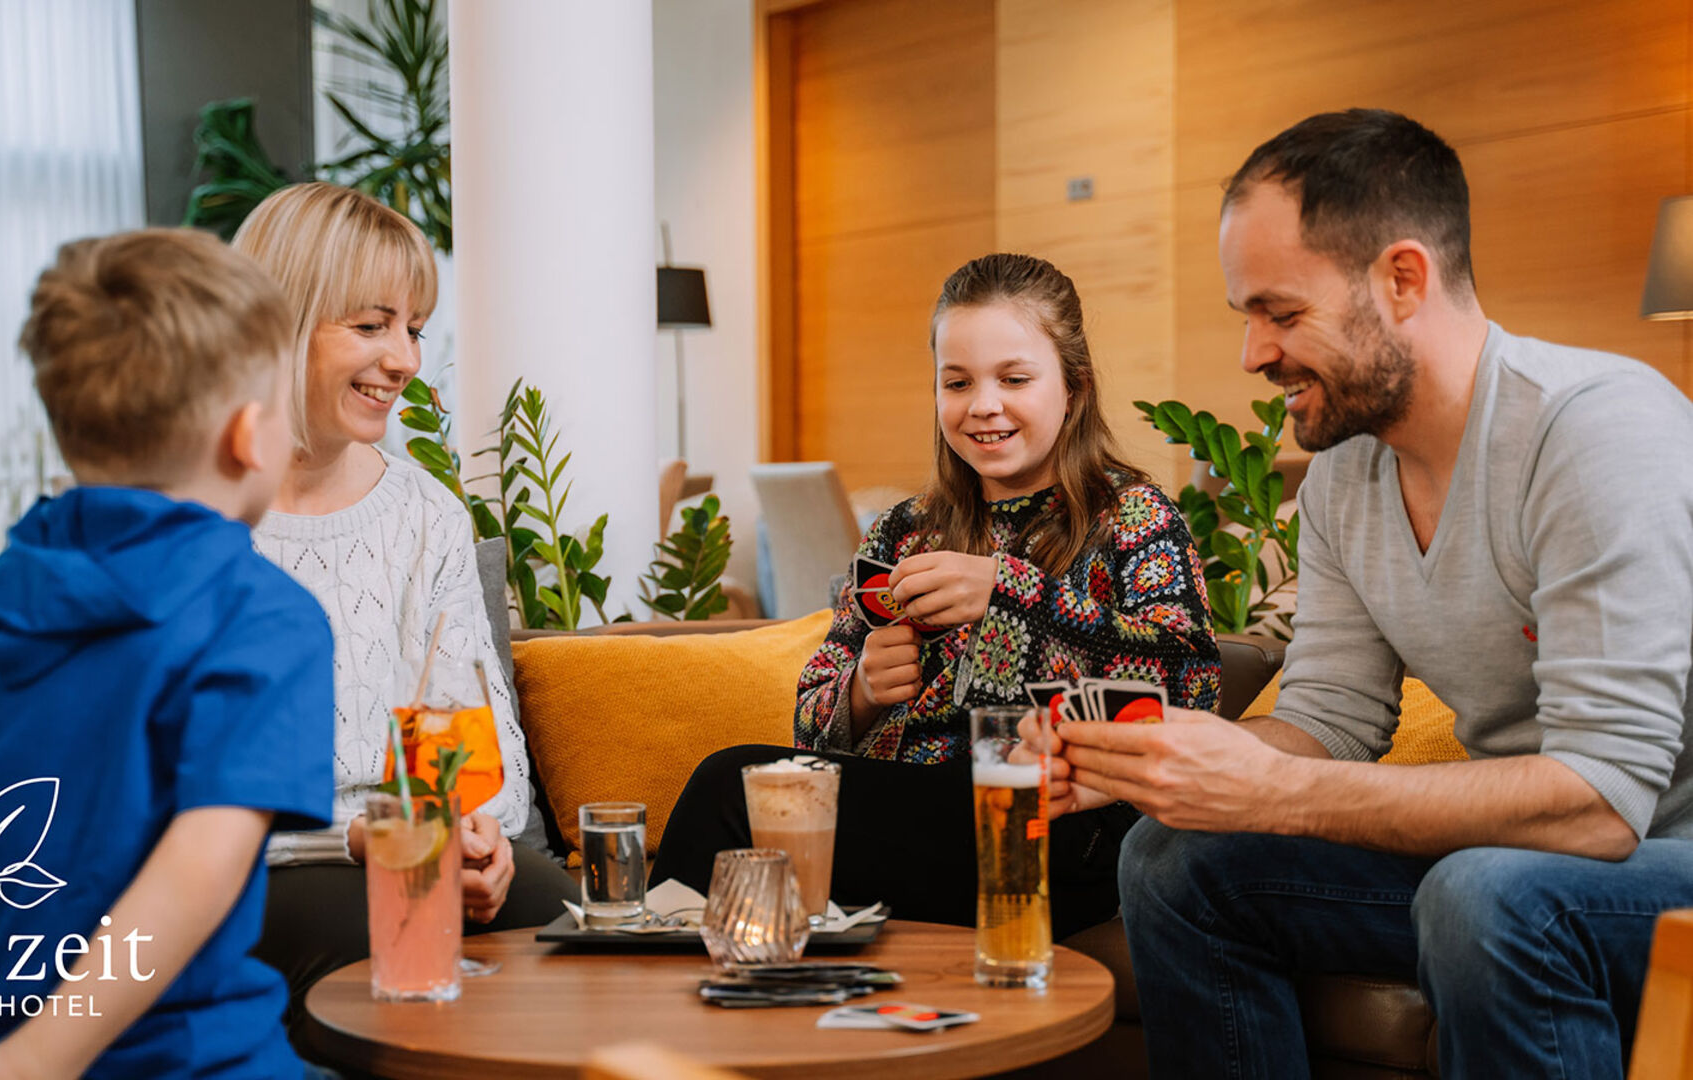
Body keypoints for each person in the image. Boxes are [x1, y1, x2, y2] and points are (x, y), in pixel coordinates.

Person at [1054, 109, 1693, 1078]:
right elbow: (1326, 719)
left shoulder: (1596, 432)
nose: (1252, 355)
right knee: (1172, 862)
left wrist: (1286, 790)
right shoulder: (1347, 477)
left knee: (1487, 898)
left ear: (1400, 279)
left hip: (1656, 854)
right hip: (1516, 868)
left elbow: (1602, 804)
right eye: (1246, 317)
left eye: (1279, 312)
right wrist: (1151, 762)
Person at [0, 229, 336, 1079]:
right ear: (250, 435)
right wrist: (31, 1062)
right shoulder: (263, 619)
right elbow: (204, 863)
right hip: (171, 1061)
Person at [652, 253, 1222, 936]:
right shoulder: (902, 531)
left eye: (1014, 378)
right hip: (910, 820)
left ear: (1073, 386)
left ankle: (633, 995)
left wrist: (1007, 592)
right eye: (957, 382)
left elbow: (1190, 683)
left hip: (1063, 829)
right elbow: (811, 721)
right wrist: (861, 691)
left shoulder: (1131, 516)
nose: (983, 405)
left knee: (730, 786)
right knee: (758, 792)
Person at [231, 183, 577, 1029]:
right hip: (249, 866)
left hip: (412, 846)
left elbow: (476, 742)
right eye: (371, 325)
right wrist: (364, 837)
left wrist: (477, 840)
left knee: (572, 921)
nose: (407, 361)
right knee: (374, 940)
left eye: (414, 329)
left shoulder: (427, 514)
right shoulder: (194, 517)